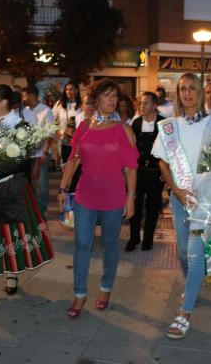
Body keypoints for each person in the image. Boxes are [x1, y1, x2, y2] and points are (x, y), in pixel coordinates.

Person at [152, 72, 211, 339]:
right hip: (179, 198)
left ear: (201, 91)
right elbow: (162, 162)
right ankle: (192, 285)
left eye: (192, 88)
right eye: (182, 89)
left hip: (205, 200)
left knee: (195, 256)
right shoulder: (170, 125)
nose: (187, 93)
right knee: (184, 253)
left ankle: (184, 314)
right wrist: (176, 190)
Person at [0, 84, 54, 304]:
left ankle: (12, 274)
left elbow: (22, 159)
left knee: (11, 232)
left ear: (4, 102)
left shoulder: (21, 126)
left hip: (13, 188)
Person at [58, 78, 138, 318]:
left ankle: (105, 288)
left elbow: (131, 168)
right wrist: (63, 189)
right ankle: (79, 294)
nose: (113, 100)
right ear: (95, 100)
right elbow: (73, 160)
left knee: (110, 245)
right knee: (83, 244)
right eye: (107, 96)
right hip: (85, 194)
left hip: (114, 195)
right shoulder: (84, 128)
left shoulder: (124, 129)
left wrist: (131, 197)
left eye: (116, 96)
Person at [126, 92, 165, 252]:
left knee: (152, 207)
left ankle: (148, 239)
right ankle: (134, 237)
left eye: (146, 103)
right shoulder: (136, 123)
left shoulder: (164, 123)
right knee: (135, 204)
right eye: (140, 103)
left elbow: (170, 148)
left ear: (154, 105)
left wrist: (167, 171)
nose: (142, 106)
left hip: (157, 172)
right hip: (139, 171)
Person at [22, 85, 54, 215]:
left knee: (42, 184)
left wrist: (44, 152)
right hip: (28, 155)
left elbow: (50, 133)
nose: (23, 99)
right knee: (29, 183)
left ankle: (42, 210)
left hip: (41, 153)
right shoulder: (25, 111)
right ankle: (31, 209)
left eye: (24, 96)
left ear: (31, 95)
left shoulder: (46, 110)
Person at [53, 81, 81, 166]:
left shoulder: (81, 104)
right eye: (66, 89)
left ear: (77, 90)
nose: (68, 91)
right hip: (63, 140)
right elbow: (51, 119)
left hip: (78, 140)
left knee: (76, 167)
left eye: (71, 89)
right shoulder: (60, 104)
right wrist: (57, 132)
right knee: (65, 166)